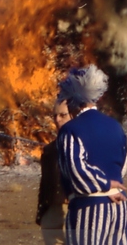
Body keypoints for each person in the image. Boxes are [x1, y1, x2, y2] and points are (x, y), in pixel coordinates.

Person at [55, 65, 127, 245]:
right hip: (120, 207)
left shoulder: (70, 130)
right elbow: (123, 164)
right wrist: (111, 188)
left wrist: (103, 185)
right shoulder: (115, 126)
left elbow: (75, 171)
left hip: (88, 208)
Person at [36, 99, 72, 245]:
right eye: (55, 115)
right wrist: (42, 212)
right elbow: (45, 183)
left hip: (75, 207)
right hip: (52, 209)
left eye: (63, 115)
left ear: (73, 115)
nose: (57, 120)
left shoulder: (85, 145)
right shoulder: (50, 149)